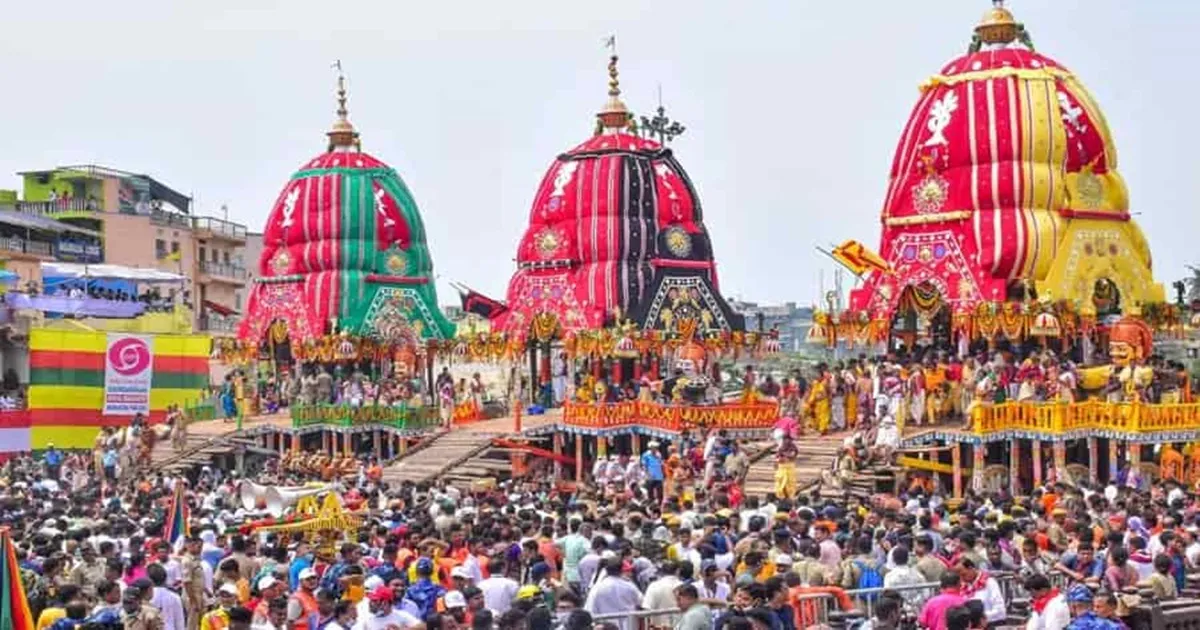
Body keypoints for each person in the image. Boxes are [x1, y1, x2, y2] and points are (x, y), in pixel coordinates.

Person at [584, 559, 642, 630]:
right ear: (621, 569)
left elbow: (589, 609)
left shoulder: (597, 588)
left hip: (606, 626)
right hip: (628, 625)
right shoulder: (630, 586)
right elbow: (641, 602)